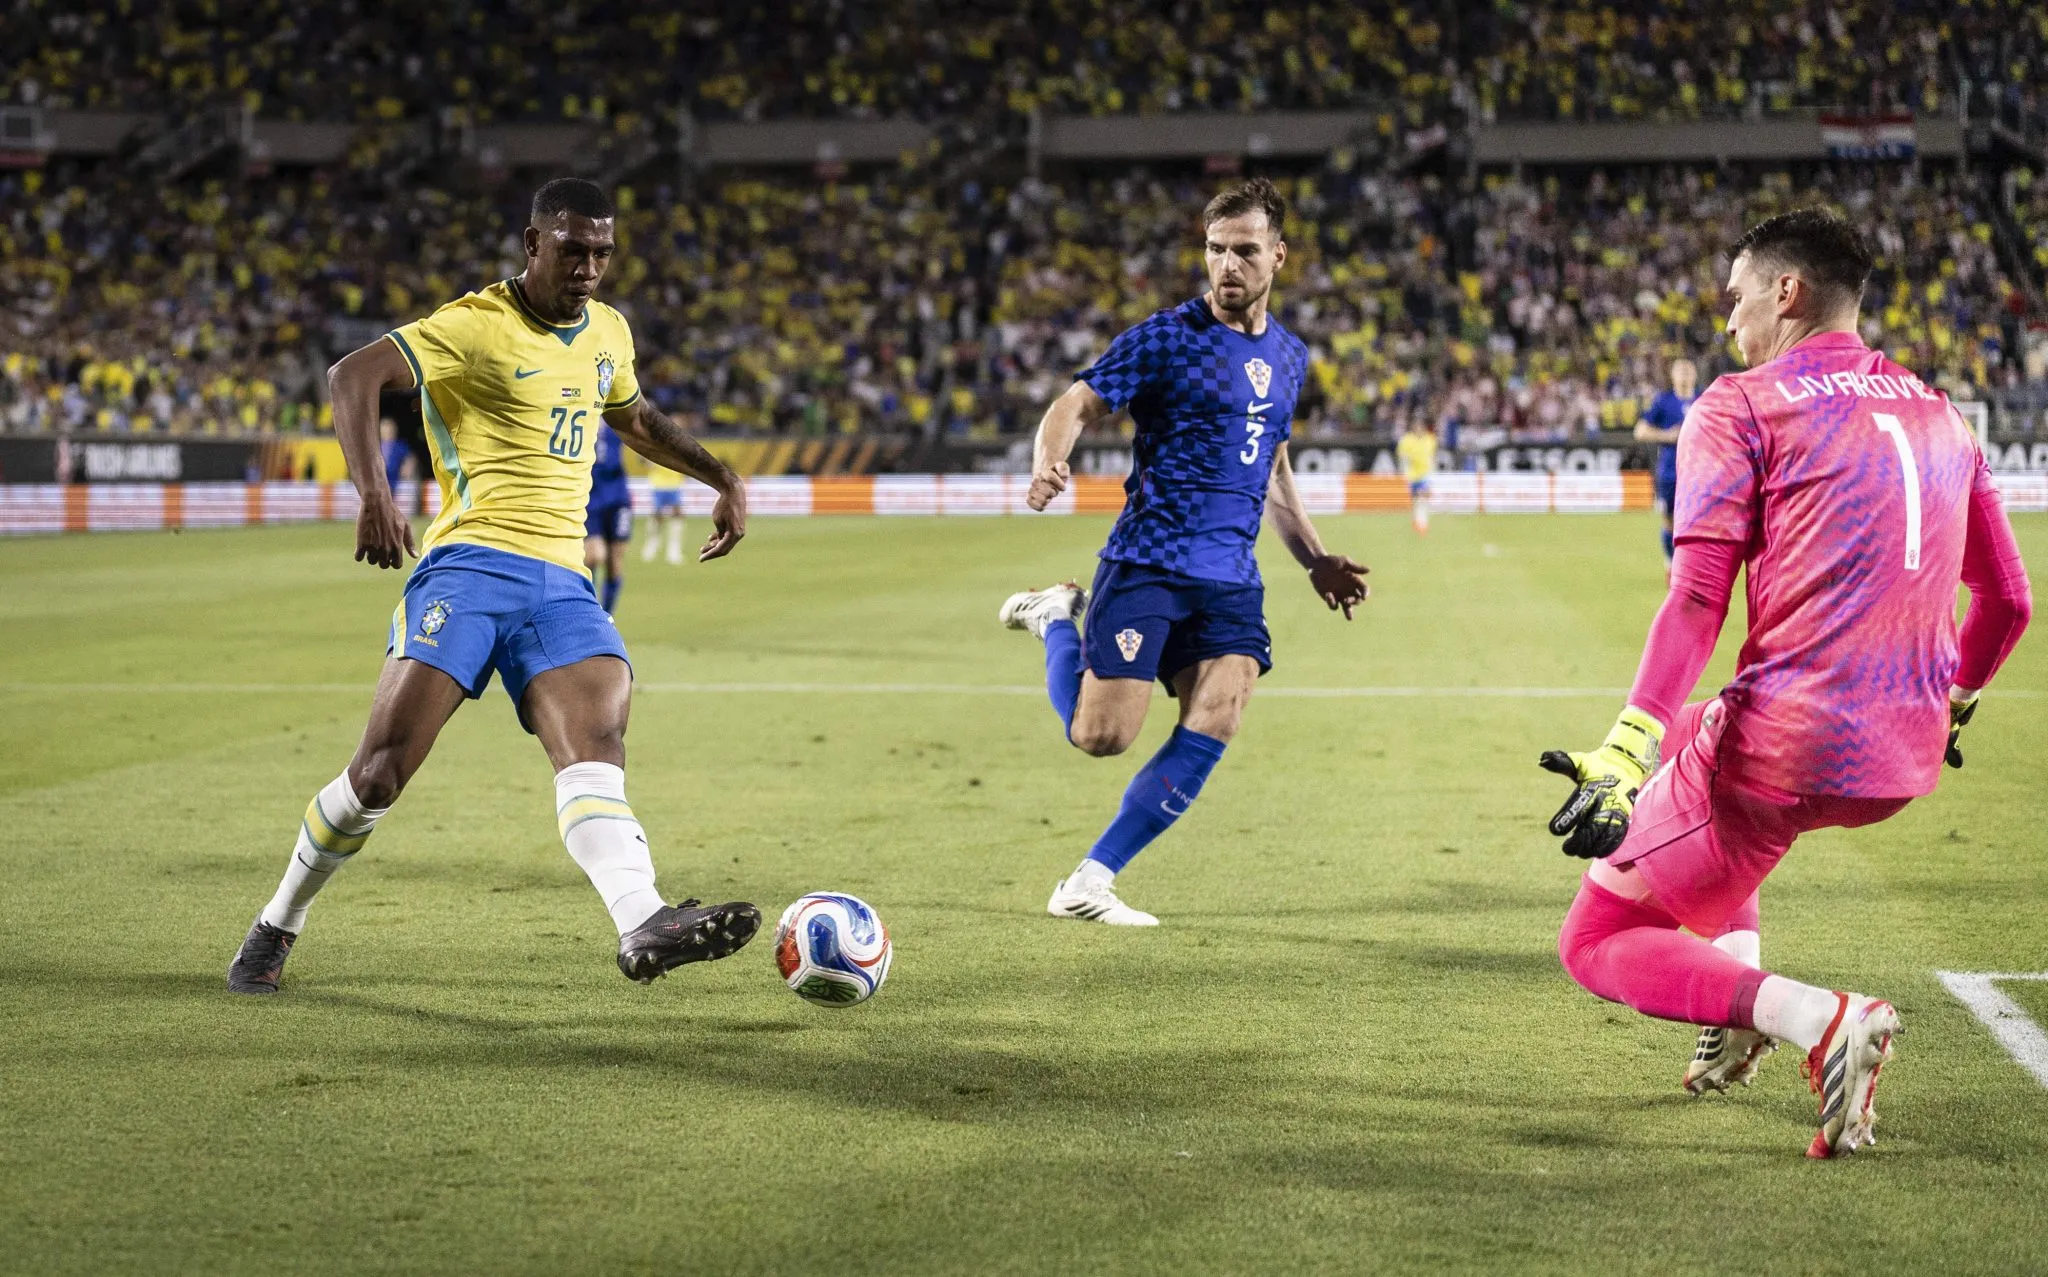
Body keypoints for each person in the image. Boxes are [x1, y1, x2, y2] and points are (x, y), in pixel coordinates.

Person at [1540, 210, 2031, 1157]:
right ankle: (1734, 1014)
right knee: (1701, 729)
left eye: (1736, 299)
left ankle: (1814, 1017)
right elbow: (2007, 601)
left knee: (1593, 941)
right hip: (1902, 758)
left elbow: (1695, 601)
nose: (1730, 322)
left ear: (1786, 292)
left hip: (1789, 752)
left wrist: (1623, 750)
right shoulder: (1943, 410)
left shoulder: (1742, 405)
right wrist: (1954, 701)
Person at [227, 178, 759, 995]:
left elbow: (637, 418)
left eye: (603, 252)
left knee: (596, 746)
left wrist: (722, 476)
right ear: (532, 243)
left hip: (561, 586)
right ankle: (277, 922)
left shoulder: (609, 332)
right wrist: (373, 492)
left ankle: (643, 917)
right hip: (471, 566)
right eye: (573, 248)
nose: (589, 266)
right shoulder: (474, 325)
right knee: (378, 774)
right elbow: (350, 378)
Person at [999, 178, 1370, 927]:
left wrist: (1315, 557)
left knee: (1222, 710)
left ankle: (1090, 879)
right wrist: (1050, 459)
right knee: (1103, 736)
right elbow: (1075, 403)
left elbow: (1270, 471)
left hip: (1231, 576)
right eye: (1215, 250)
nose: (1227, 265)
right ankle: (1056, 620)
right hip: (1151, 560)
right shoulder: (1165, 339)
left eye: (1244, 250)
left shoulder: (1292, 358)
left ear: (1278, 255)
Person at [1633, 358, 1699, 565]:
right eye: (1680, 369)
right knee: (1670, 519)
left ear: (1696, 374)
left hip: (1700, 471)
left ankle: (1690, 564)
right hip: (1670, 470)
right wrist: (1668, 436)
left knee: (1698, 519)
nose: (1685, 373)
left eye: (1689, 369)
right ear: (1672, 376)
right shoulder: (1663, 401)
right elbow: (1640, 431)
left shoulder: (1704, 398)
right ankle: (1671, 562)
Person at [584, 421, 632, 613]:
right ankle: (590, 612)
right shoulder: (581, 426)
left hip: (618, 501)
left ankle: (608, 616)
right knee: (593, 557)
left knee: (615, 562)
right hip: (591, 501)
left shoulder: (615, 426)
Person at [1396, 419, 1437, 534]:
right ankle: (1416, 520)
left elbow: (1432, 455)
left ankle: (1422, 524)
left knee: (1422, 497)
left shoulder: (1430, 439)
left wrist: (1433, 469)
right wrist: (1404, 472)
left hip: (1425, 473)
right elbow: (1402, 457)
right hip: (1412, 475)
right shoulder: (1406, 440)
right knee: (1415, 501)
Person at [644, 463, 686, 564]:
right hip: (658, 483)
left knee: (677, 515)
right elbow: (641, 457)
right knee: (657, 515)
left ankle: (674, 550)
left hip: (675, 483)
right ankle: (652, 545)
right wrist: (646, 460)